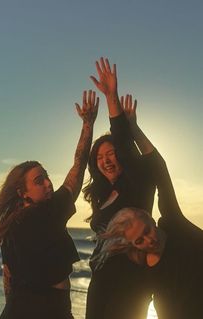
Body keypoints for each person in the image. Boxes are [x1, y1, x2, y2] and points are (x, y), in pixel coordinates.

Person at [0, 90, 99, 319]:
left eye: (47, 176)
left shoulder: (10, 224)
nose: (48, 183)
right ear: (23, 192)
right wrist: (88, 124)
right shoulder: (45, 213)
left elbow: (8, 278)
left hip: (21, 310)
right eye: (38, 181)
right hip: (45, 311)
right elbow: (78, 168)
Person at [99, 110, 203, 319]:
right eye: (140, 240)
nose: (150, 240)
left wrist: (133, 129)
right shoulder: (141, 264)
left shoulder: (173, 223)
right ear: (133, 245)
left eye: (147, 230)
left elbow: (159, 169)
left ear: (150, 218)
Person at [84, 58, 158, 319]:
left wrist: (111, 97)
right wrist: (87, 126)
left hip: (130, 284)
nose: (106, 160)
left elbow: (126, 145)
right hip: (100, 282)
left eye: (111, 154)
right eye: (100, 157)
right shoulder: (102, 196)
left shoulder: (137, 185)